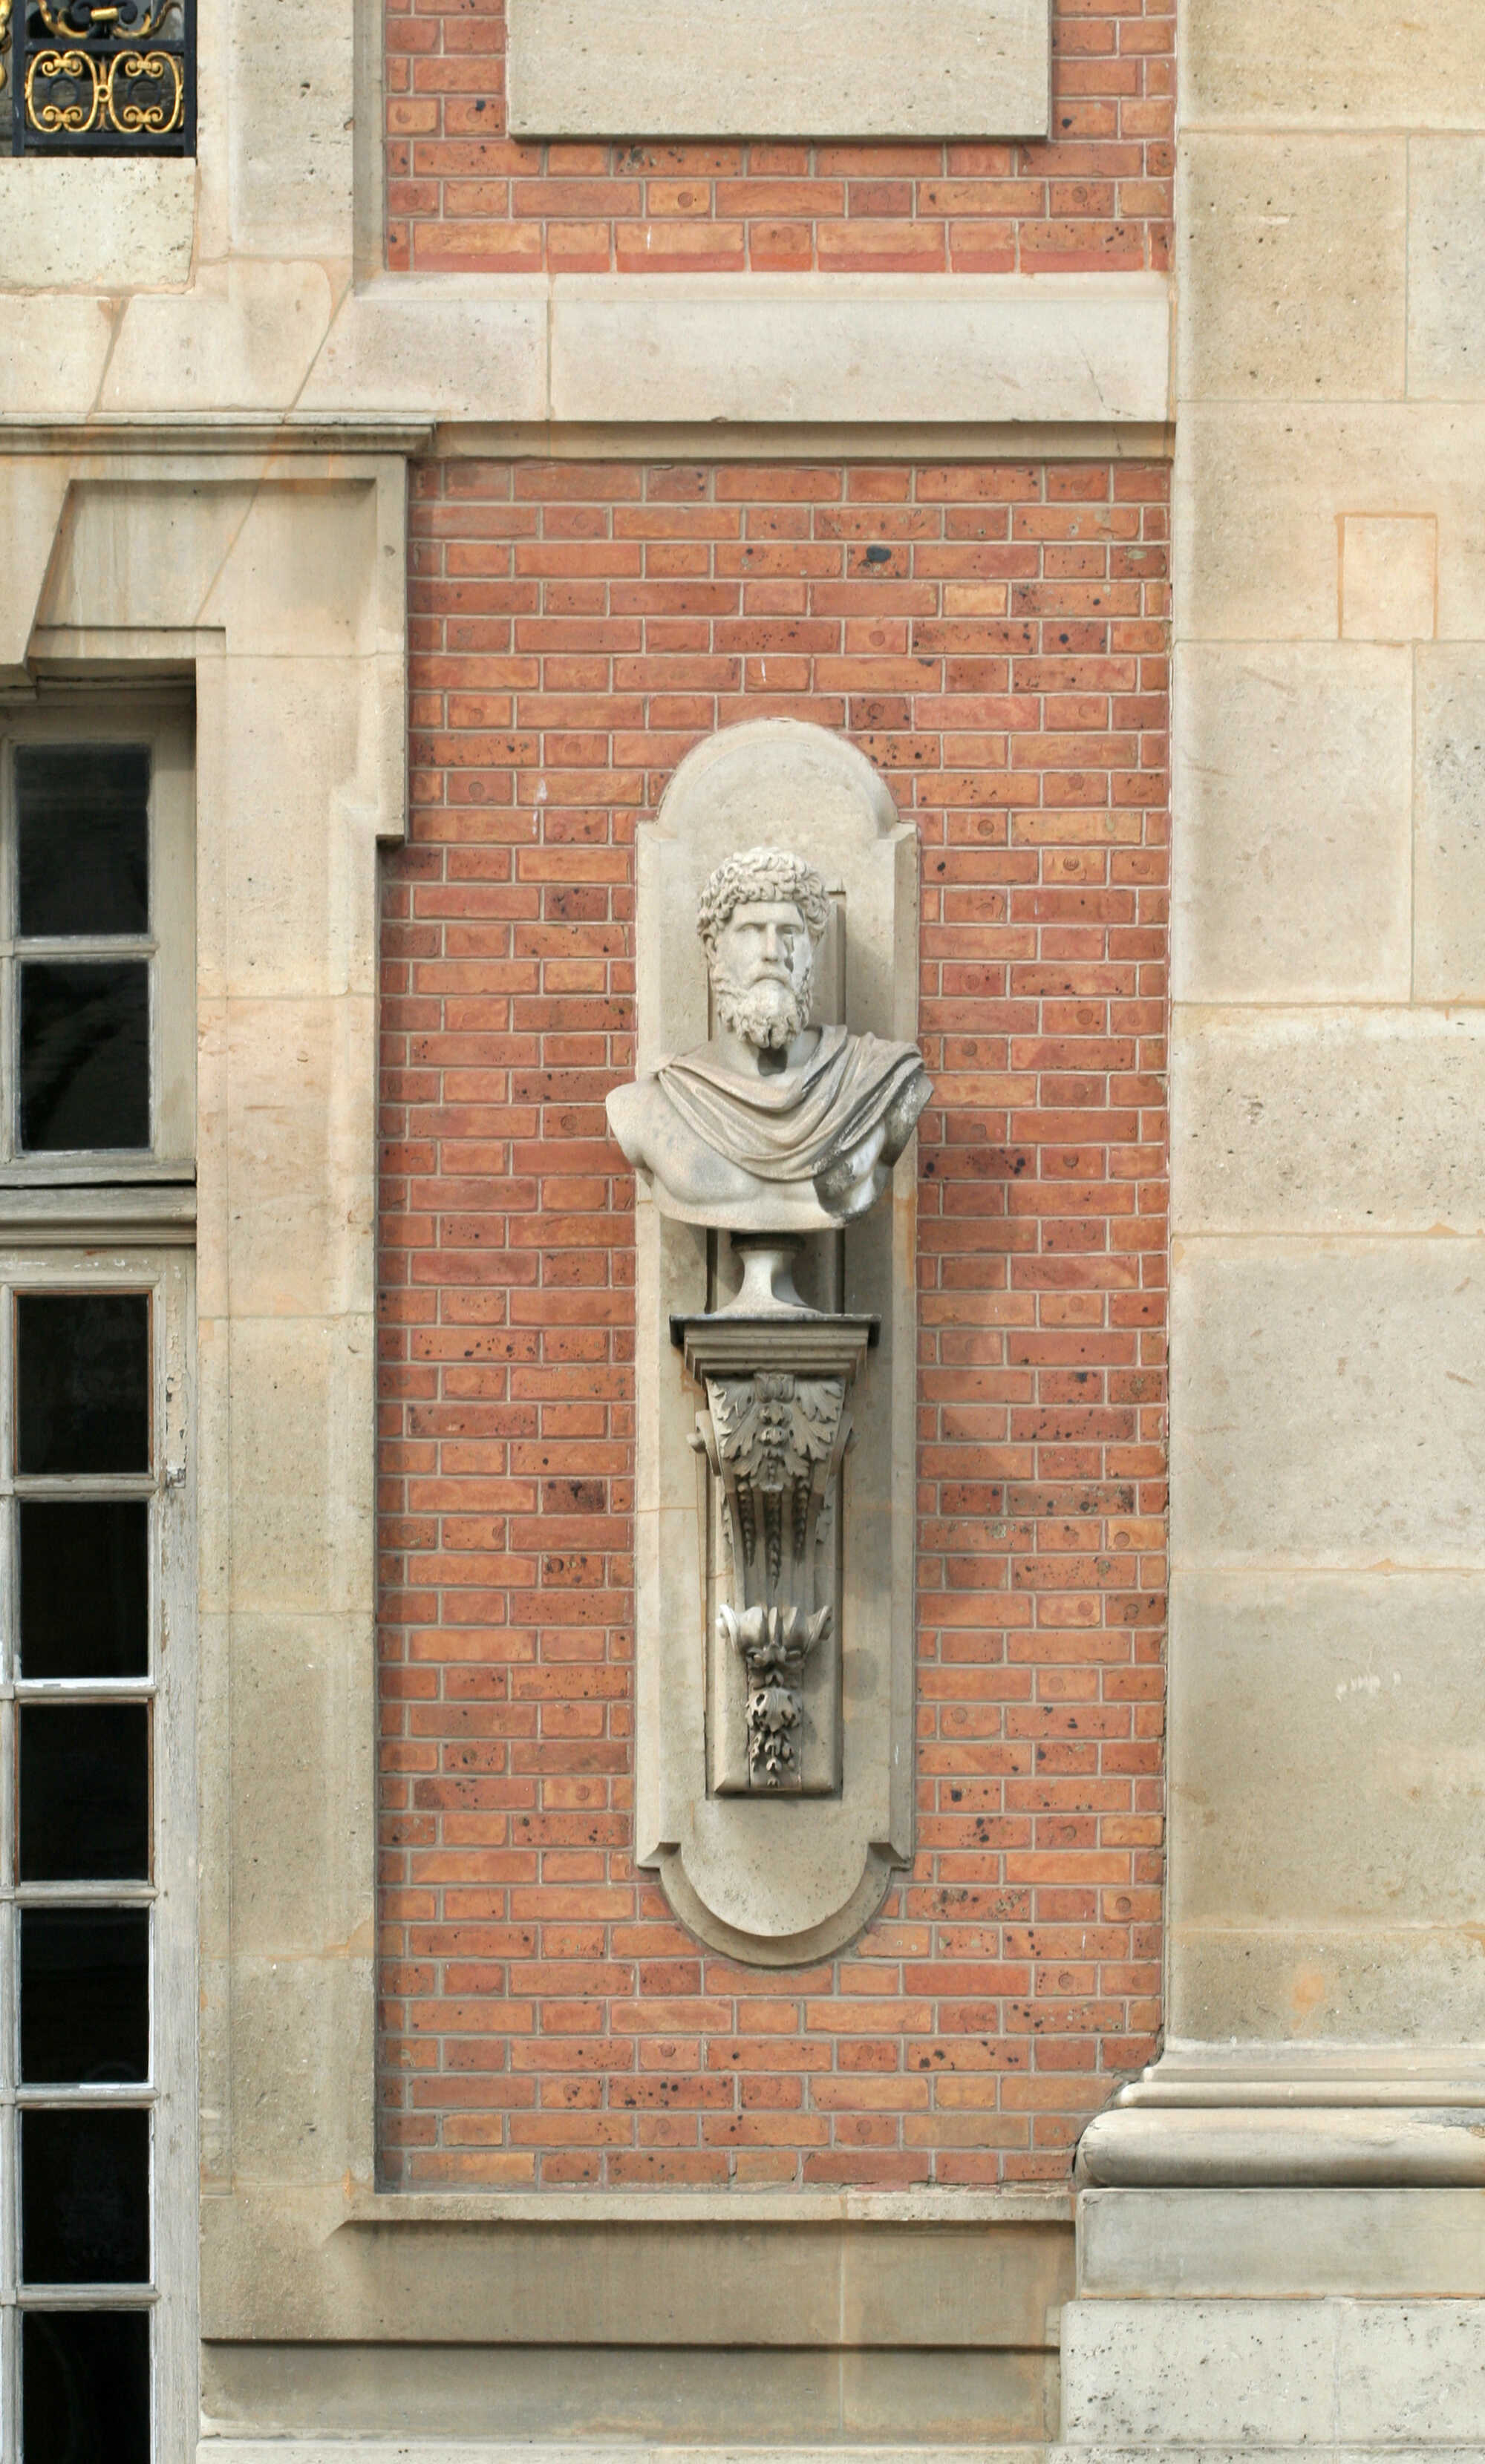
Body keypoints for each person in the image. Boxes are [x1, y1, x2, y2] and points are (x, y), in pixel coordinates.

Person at [606, 846, 931, 1229]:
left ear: (812, 949)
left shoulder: (877, 1082)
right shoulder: (650, 1104)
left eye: (789, 932)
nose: (772, 953)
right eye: (751, 931)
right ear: (714, 948)